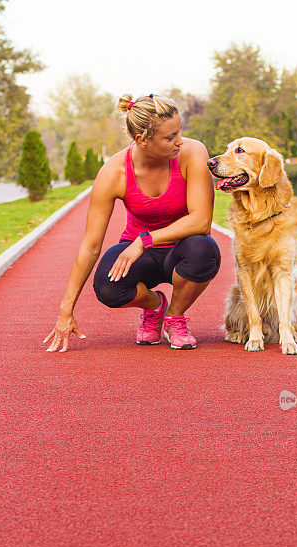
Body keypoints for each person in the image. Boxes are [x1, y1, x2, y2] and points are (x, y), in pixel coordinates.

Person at [43, 93, 221, 353]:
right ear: (142, 140)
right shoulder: (114, 172)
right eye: (170, 137)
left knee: (204, 249)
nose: (179, 141)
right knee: (107, 286)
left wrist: (145, 240)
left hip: (182, 248)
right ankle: (155, 306)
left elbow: (202, 221)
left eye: (179, 132)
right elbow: (91, 245)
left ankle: (175, 316)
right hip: (142, 256)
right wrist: (65, 311)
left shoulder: (193, 152)